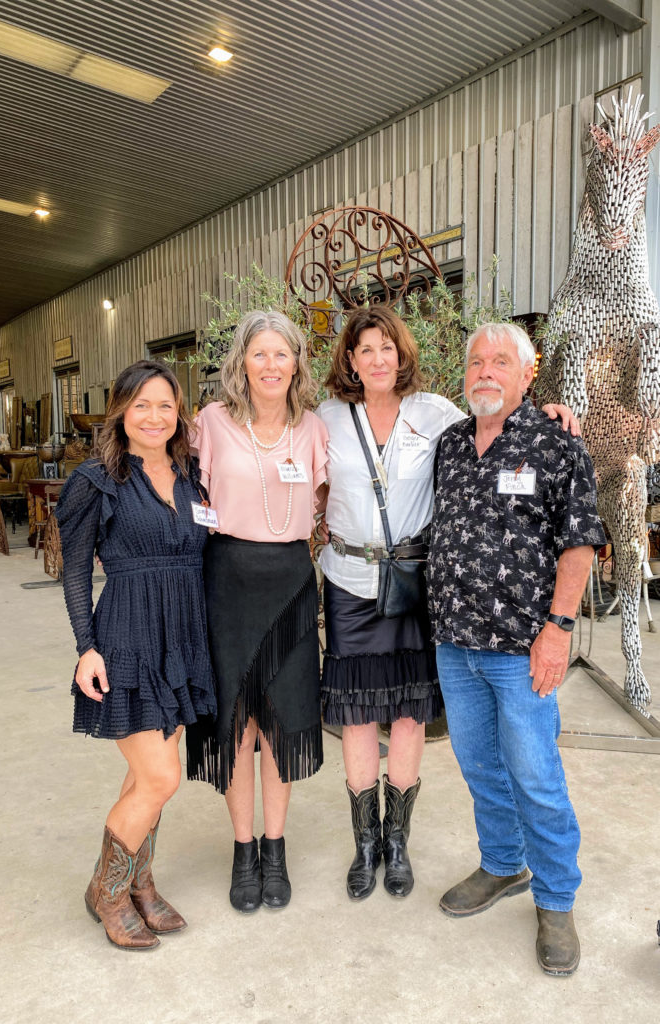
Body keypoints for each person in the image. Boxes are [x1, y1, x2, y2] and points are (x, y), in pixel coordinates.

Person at [317, 307, 578, 903]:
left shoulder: (436, 413)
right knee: (357, 713)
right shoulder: (327, 419)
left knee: (409, 711)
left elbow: (501, 417)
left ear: (402, 355)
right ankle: (367, 845)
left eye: (387, 347)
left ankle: (399, 842)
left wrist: (553, 413)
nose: (377, 358)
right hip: (350, 581)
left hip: (413, 585)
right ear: (350, 361)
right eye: (365, 350)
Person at [428, 322, 606, 976]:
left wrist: (557, 629)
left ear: (528, 375)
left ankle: (555, 898)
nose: (485, 370)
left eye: (501, 360)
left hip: (522, 647)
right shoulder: (449, 444)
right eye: (476, 359)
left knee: (534, 773)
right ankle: (503, 864)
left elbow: (579, 542)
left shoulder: (555, 444)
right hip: (455, 642)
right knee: (479, 767)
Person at [55, 360, 216, 951]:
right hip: (126, 634)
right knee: (160, 775)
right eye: (141, 404)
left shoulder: (192, 472)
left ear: (180, 413)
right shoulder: (96, 480)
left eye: (166, 405)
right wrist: (85, 648)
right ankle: (108, 889)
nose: (154, 416)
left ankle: (139, 883)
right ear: (121, 411)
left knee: (143, 774)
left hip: (183, 637)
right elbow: (74, 573)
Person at [186, 310, 328, 913]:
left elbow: (325, 504)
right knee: (238, 725)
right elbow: (169, 475)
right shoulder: (212, 422)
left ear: (297, 362)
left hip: (292, 584)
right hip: (228, 585)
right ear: (241, 361)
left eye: (282, 354)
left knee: (281, 723)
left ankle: (276, 847)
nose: (271, 365)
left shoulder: (315, 428)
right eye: (259, 354)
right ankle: (243, 849)